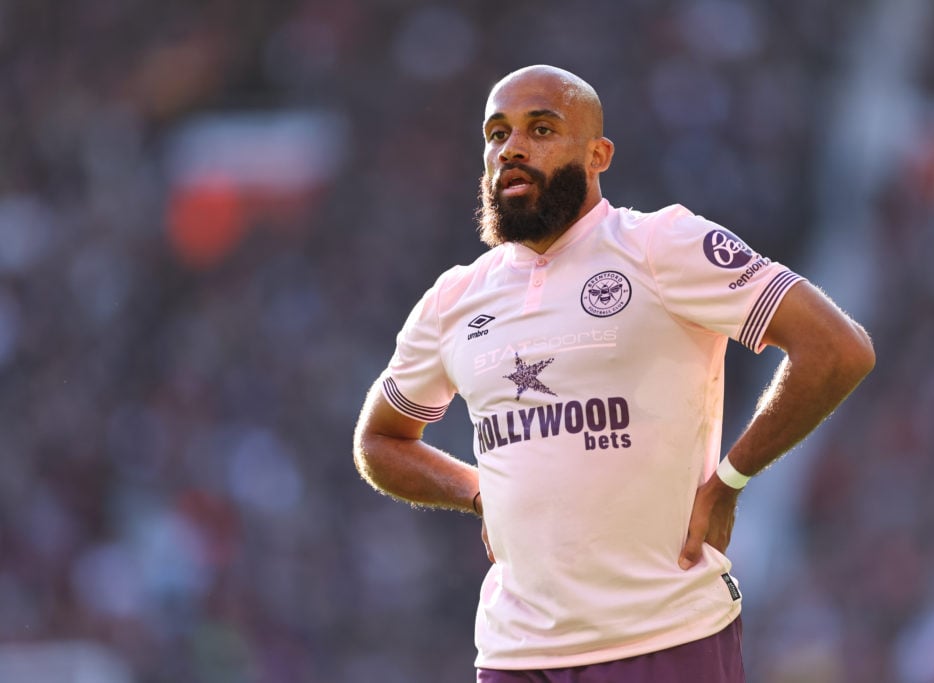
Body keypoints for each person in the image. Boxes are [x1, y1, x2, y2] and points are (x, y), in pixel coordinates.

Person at [353, 64, 875, 682]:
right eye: (497, 134)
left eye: (541, 128)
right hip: (515, 656)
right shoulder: (453, 300)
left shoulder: (661, 245)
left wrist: (732, 477)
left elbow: (838, 350)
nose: (512, 147)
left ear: (598, 154)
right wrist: (475, 493)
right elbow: (379, 441)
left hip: (666, 636)